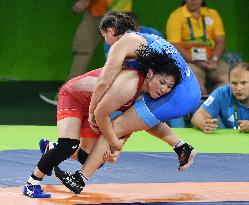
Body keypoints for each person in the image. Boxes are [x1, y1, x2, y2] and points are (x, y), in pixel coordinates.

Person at [52, 11, 200, 194]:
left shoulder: (123, 44)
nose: (106, 43)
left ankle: (80, 179)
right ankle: (181, 146)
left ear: (111, 30)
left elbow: (103, 82)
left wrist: (92, 112)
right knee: (137, 117)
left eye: (104, 36)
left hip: (174, 91)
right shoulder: (146, 40)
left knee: (112, 128)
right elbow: (132, 113)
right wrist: (118, 145)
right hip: (189, 88)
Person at [22, 45, 185, 198]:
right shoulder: (130, 84)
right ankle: (32, 183)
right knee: (68, 144)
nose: (164, 89)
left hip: (94, 107)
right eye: (162, 82)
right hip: (74, 97)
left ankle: (52, 149)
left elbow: (127, 124)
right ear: (149, 73)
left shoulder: (146, 95)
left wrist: (116, 150)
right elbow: (101, 115)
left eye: (169, 86)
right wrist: (115, 144)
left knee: (91, 159)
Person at [39, 0, 132, 106]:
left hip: (106, 11)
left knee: (84, 51)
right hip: (112, 11)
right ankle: (124, 97)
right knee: (120, 52)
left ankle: (67, 96)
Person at [166, 0, 230, 95]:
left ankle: (214, 103)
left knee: (231, 82)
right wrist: (196, 61)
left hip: (212, 59)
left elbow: (220, 40)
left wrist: (214, 60)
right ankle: (204, 107)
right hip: (189, 61)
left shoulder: (212, 14)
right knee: (198, 88)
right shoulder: (176, 16)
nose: (193, 1)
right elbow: (174, 44)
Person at [191, 62, 249, 133]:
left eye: (244, 83)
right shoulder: (222, 93)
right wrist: (203, 123)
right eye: (234, 83)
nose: (239, 88)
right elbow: (197, 116)